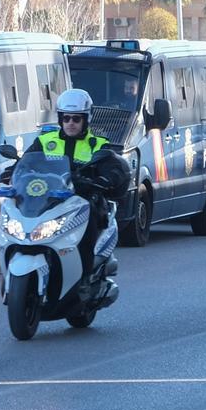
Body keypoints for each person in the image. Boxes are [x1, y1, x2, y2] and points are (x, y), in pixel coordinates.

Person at [30, 89, 131, 279]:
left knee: (88, 224)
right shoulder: (44, 141)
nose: (70, 123)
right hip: (50, 200)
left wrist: (105, 179)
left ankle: (84, 276)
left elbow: (113, 167)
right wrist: (12, 171)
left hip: (83, 201)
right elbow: (27, 162)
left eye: (76, 119)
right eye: (66, 118)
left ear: (86, 120)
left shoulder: (97, 144)